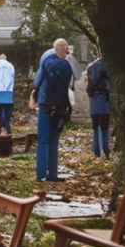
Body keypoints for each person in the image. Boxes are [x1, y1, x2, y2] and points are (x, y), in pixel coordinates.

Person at [30, 38, 73, 182]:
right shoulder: (68, 65)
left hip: (45, 104)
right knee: (54, 140)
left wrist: (33, 96)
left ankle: (40, 174)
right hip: (60, 106)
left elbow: (38, 80)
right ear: (65, 48)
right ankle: (52, 174)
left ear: (55, 49)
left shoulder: (46, 61)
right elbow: (70, 85)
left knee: (43, 140)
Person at [85, 57, 111, 158]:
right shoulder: (105, 66)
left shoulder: (90, 67)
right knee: (104, 127)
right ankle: (105, 150)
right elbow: (108, 84)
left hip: (93, 101)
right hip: (103, 101)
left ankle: (96, 152)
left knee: (95, 128)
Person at [0, 53, 15, 135]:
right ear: (6, 58)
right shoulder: (10, 65)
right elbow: (12, 76)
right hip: (8, 91)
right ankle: (6, 128)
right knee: (7, 109)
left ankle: (2, 127)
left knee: (0, 109)